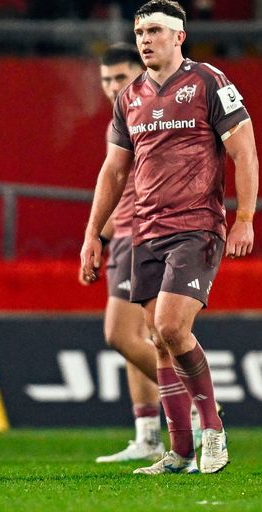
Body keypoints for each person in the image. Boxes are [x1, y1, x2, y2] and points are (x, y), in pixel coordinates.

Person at [80, 0, 257, 475]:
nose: (145, 40)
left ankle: (212, 430)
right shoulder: (129, 98)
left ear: (179, 36)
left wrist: (244, 218)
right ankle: (179, 451)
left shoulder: (209, 82)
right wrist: (92, 234)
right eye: (140, 33)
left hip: (196, 227)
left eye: (155, 31)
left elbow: (245, 151)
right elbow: (113, 171)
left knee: (174, 327)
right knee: (158, 338)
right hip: (146, 231)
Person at [86, 43, 163, 463]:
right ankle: (148, 435)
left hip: (142, 238)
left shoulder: (152, 114)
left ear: (140, 71)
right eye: (106, 79)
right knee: (138, 339)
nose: (113, 86)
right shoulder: (124, 116)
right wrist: (100, 232)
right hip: (126, 236)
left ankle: (197, 402)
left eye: (120, 77)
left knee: (120, 335)